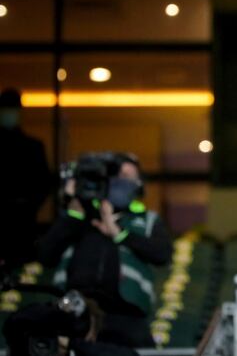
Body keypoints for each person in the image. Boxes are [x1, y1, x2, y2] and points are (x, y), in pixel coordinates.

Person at [3, 152, 172, 355]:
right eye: (116, 175)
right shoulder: (78, 217)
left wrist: (118, 233)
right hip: (77, 311)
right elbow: (46, 255)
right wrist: (74, 210)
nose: (122, 182)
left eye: (129, 176)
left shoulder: (147, 219)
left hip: (127, 313)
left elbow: (162, 254)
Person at [0, 87, 51, 272]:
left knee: (23, 272)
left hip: (24, 224)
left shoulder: (32, 147)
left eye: (12, 110)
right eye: (5, 110)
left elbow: (43, 183)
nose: (9, 114)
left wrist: (27, 205)